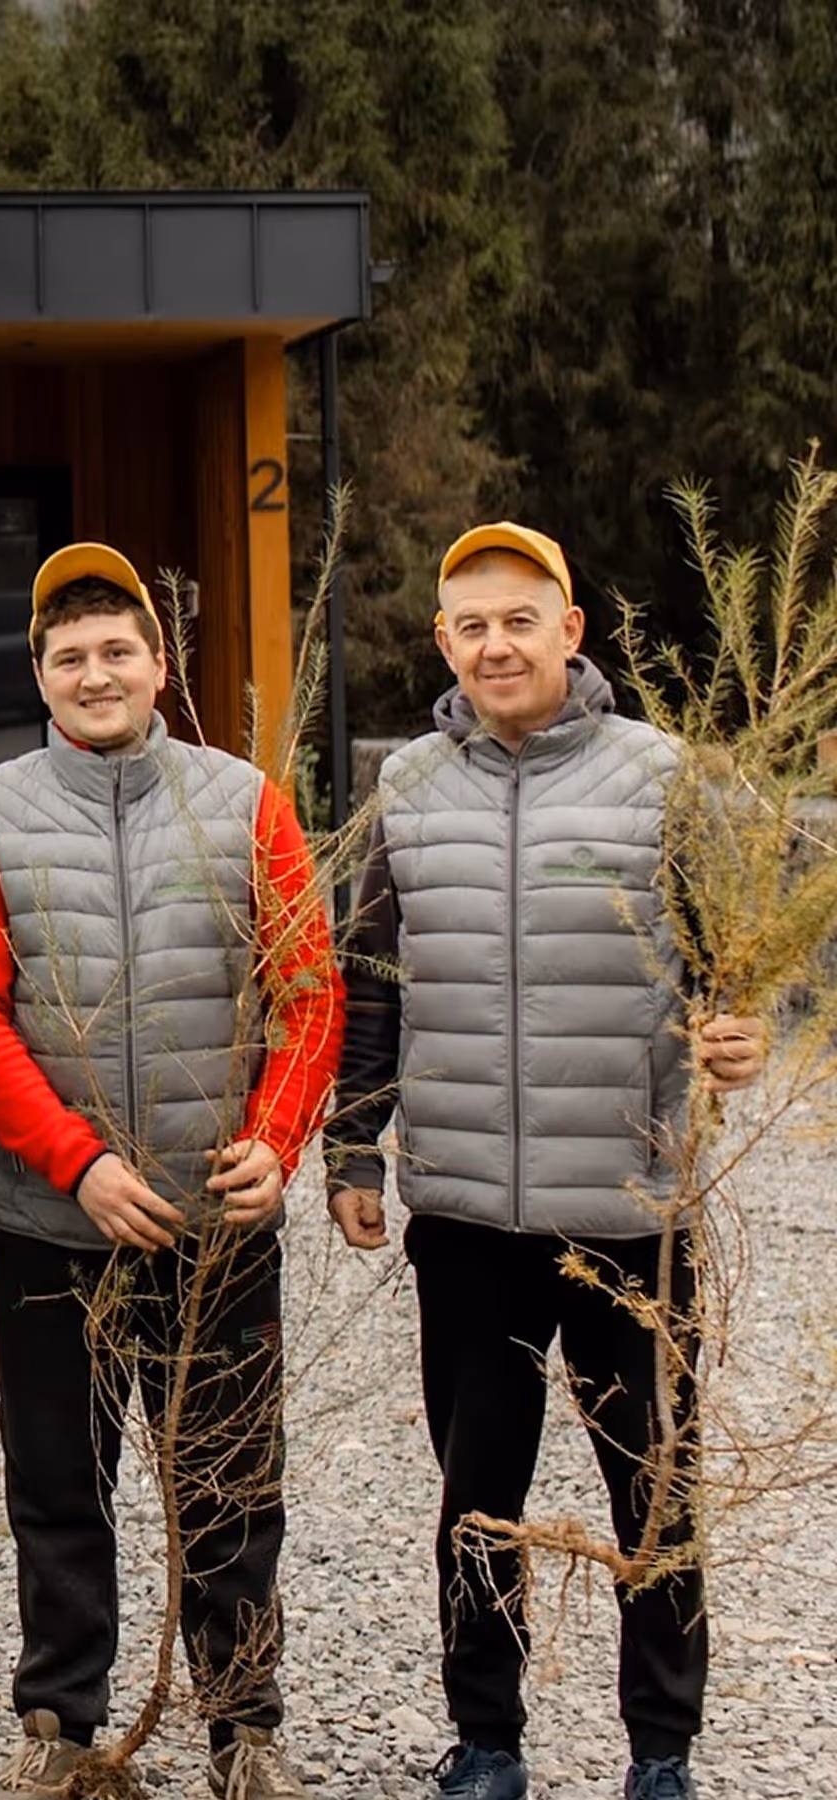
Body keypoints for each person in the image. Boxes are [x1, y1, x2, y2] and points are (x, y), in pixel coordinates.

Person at [324, 523, 766, 1800]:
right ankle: (488, 1741)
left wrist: (730, 1034)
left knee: (655, 1488)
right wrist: (355, 1146)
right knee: (478, 1495)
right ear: (444, 644)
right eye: (470, 624)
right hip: (464, 1214)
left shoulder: (661, 778)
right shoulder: (407, 785)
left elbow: (730, 954)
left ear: (571, 630)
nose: (495, 643)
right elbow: (371, 986)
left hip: (630, 1207)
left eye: (520, 619)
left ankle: (663, 1751)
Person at [0, 544, 343, 1799]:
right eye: (70, 656)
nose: (96, 673)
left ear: (160, 667)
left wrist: (277, 1143)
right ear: (38, 675)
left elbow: (308, 989)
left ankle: (242, 1726)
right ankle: (60, 1722)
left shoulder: (243, 800)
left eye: (119, 651)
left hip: (215, 1222)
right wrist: (75, 1162)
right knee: (59, 1482)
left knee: (228, 1479)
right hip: (51, 1221)